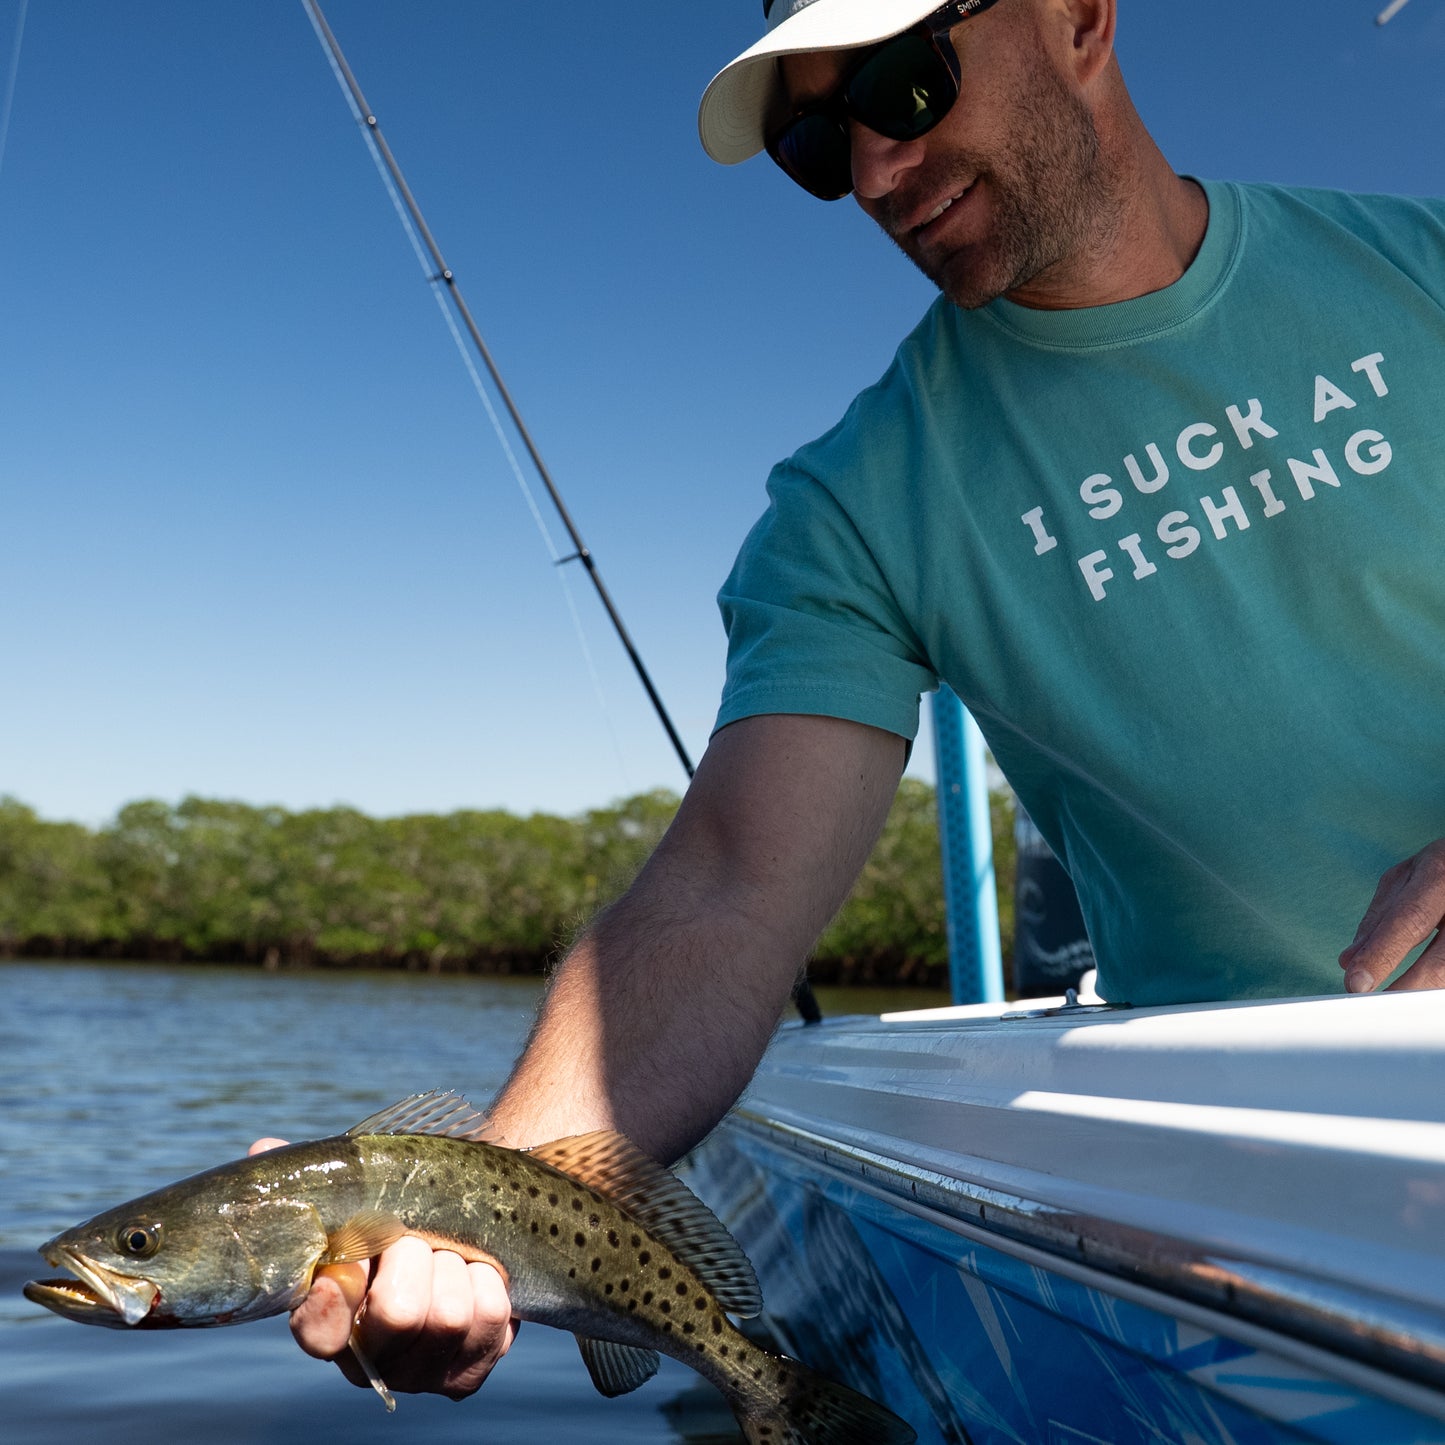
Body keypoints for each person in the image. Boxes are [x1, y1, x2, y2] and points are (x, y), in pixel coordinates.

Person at [257, 0, 1445, 1403]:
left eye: (903, 84)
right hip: (1257, 1202)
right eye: (818, 145)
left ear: (1077, 17)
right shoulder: (850, 508)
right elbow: (725, 891)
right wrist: (470, 1211)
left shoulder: (1417, 266)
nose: (875, 173)